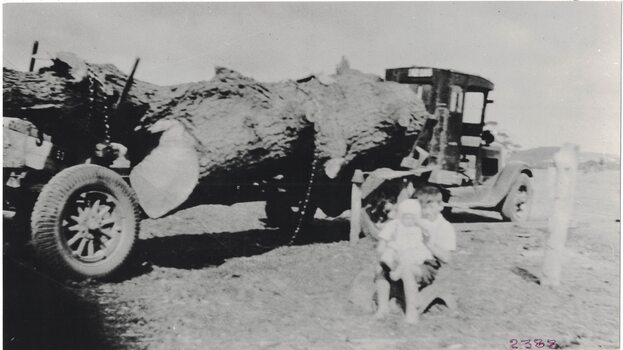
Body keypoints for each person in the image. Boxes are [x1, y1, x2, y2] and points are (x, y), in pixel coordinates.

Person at [374, 185, 456, 324]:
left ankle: (412, 313)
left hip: (427, 265)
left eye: (429, 207)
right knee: (380, 270)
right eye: (422, 208)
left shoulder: (444, 227)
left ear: (440, 206)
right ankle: (382, 308)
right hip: (404, 257)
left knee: (407, 270)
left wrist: (428, 243)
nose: (425, 211)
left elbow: (447, 258)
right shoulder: (413, 222)